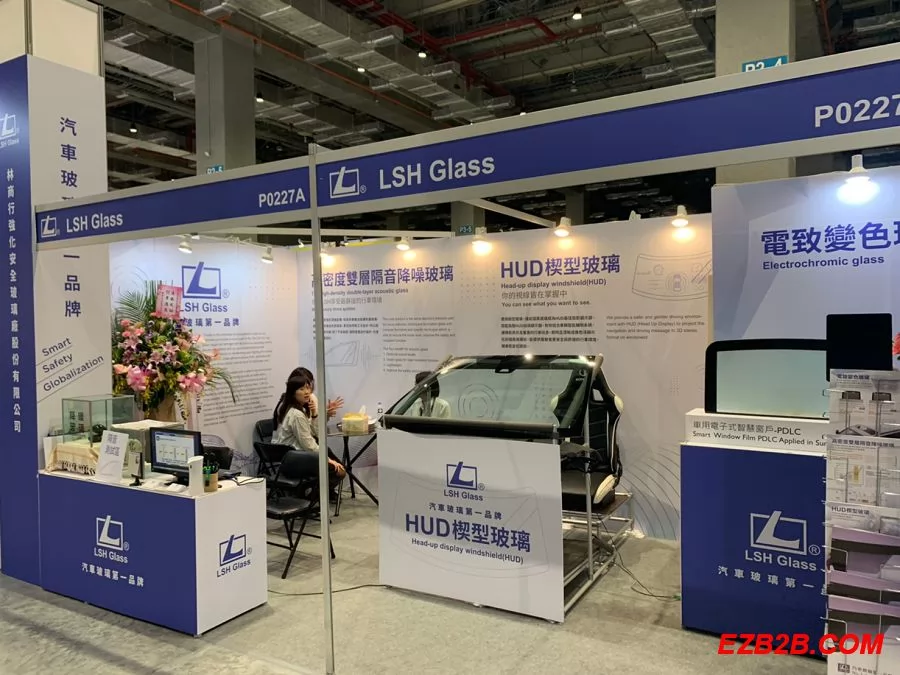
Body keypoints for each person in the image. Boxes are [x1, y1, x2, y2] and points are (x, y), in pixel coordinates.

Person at [273, 373, 346, 492]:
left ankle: (313, 496)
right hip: (295, 458)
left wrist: (315, 414)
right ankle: (313, 497)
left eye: (308, 388)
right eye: (301, 389)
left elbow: (316, 433)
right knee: (339, 471)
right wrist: (327, 459)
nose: (307, 392)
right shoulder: (297, 415)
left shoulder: (299, 410)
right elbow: (308, 444)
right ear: (293, 393)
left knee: (336, 464)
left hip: (296, 455)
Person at [272, 367, 343, 430]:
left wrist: (326, 414)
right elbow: (308, 431)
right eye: (302, 388)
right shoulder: (289, 407)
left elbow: (315, 428)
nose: (307, 391)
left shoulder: (310, 398)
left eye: (308, 385)